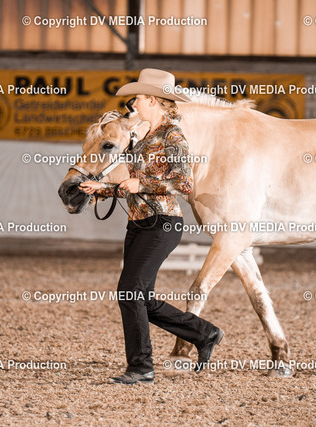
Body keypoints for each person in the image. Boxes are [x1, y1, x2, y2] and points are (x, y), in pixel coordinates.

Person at [79, 69, 224, 385]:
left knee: (129, 291)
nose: (134, 104)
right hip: (138, 224)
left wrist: (141, 183)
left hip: (163, 224)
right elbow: (132, 186)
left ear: (154, 101)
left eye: (139, 98)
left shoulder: (173, 135)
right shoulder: (144, 136)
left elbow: (184, 183)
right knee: (139, 297)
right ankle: (204, 333)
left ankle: (141, 367)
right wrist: (103, 189)